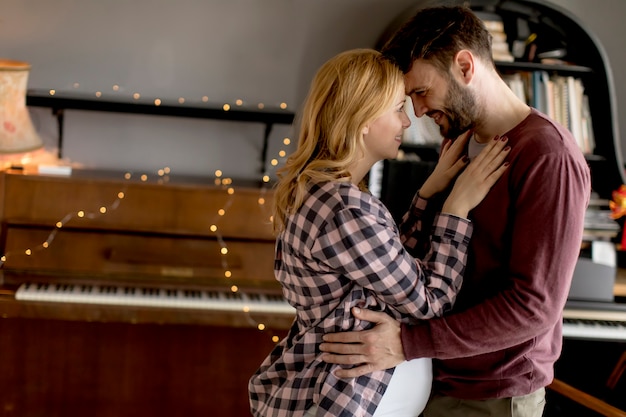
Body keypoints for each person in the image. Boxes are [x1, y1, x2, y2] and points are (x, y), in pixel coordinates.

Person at [318, 6, 592, 417]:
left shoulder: (547, 155)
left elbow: (534, 306)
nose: (418, 112)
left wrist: (409, 343)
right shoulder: (457, 143)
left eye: (421, 92)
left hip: (493, 394)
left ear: (465, 66)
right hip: (434, 377)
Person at [248, 48, 510, 417]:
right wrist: (456, 210)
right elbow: (428, 301)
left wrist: (427, 194)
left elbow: (385, 268)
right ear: (364, 118)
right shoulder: (344, 208)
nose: (407, 121)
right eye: (398, 109)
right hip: (343, 401)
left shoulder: (325, 194)